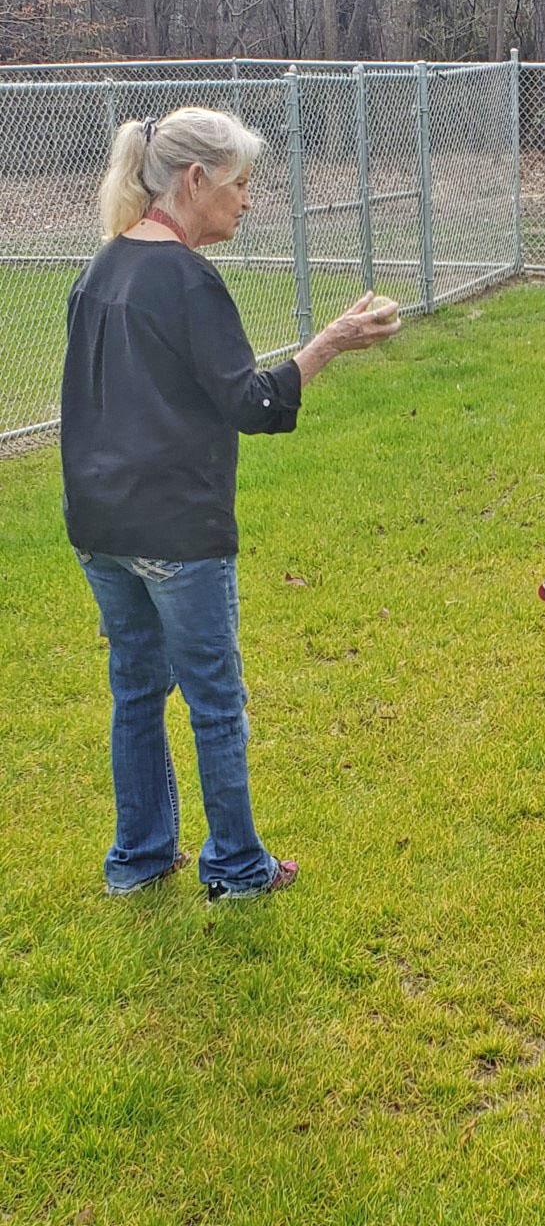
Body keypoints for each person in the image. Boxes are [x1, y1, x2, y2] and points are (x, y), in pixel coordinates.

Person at [61, 107, 400, 902]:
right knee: (216, 701)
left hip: (100, 528)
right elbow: (248, 402)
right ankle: (238, 868)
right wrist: (328, 345)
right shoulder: (186, 279)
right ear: (194, 181)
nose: (249, 201)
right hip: (177, 535)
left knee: (137, 692)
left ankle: (139, 859)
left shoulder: (101, 267)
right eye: (242, 184)